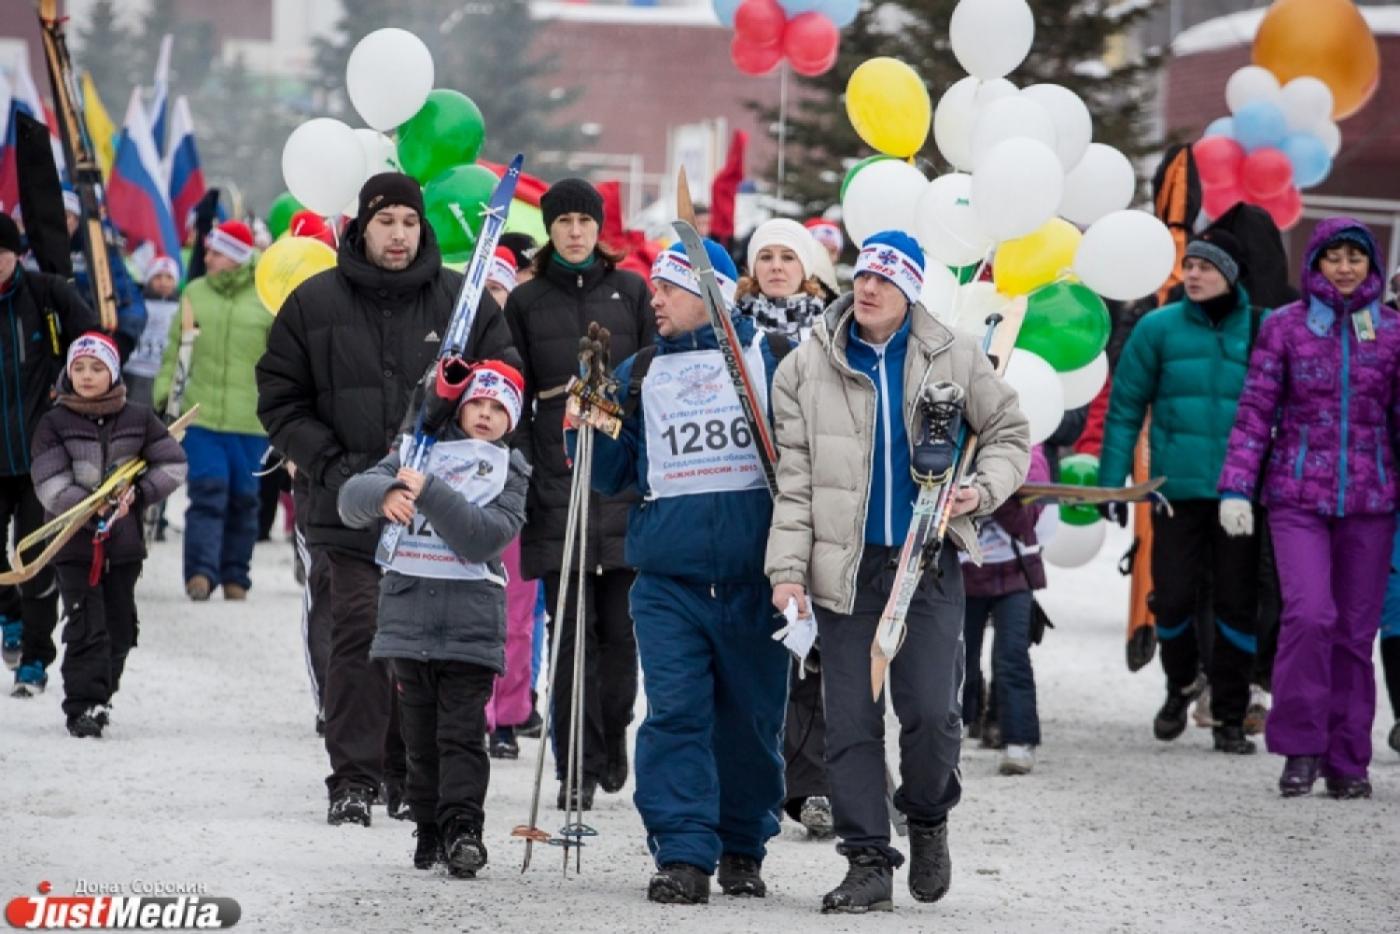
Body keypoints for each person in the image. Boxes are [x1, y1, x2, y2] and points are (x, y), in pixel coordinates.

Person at [765, 230, 1029, 913]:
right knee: (850, 722)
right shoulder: (805, 367)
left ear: (910, 289)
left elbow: (1009, 434)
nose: (868, 287)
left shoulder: (954, 354)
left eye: (884, 278)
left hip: (928, 563)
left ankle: (929, 814)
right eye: (862, 275)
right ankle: (867, 862)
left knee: (934, 715)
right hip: (846, 570)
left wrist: (981, 490)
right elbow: (794, 482)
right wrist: (786, 570)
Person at [257, 172, 516, 827]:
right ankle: (354, 777)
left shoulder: (460, 301)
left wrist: (459, 444)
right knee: (359, 634)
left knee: (420, 645)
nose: (398, 235)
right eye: (385, 222)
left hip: (435, 510)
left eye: (408, 221)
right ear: (360, 227)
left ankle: (409, 775)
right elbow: (280, 397)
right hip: (349, 503)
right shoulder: (314, 302)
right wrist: (336, 467)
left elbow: (504, 382)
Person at [573, 237, 788, 904]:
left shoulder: (772, 360)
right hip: (669, 581)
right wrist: (588, 413)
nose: (655, 300)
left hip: (756, 581)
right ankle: (684, 853)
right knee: (676, 715)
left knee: (750, 722)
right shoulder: (640, 371)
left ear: (711, 295)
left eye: (668, 289)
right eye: (654, 288)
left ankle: (742, 845)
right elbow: (607, 475)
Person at [1219, 217, 1400, 799]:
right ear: (1316, 262)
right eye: (1333, 257)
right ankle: (1300, 747)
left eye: (1355, 258)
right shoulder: (1285, 327)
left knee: (1354, 633)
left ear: (1371, 266)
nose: (1344, 268)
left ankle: (1347, 760)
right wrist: (1235, 487)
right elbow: (1255, 411)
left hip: (1370, 501)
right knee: (1310, 615)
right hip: (1298, 498)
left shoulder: (1392, 332)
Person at [338, 360, 529, 878]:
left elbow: (481, 538)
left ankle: (463, 828)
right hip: (409, 621)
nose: (485, 415)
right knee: (419, 740)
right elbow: (349, 502)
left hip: (472, 626)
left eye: (498, 409)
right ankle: (428, 829)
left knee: (462, 736)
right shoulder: (417, 452)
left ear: (511, 420)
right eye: (477, 403)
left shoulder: (510, 471)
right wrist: (385, 494)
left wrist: (428, 491)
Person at [504, 178, 651, 808]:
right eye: (562, 221)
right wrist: (525, 464)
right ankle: (575, 766)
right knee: (568, 635)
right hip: (556, 480)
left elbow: (651, 378)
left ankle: (613, 731)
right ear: (549, 229)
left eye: (583, 221)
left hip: (619, 483)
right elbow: (511, 388)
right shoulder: (526, 300)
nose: (573, 231)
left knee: (619, 636)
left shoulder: (631, 291)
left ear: (598, 227)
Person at [1098, 230, 1263, 755]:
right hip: (1175, 490)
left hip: (1242, 494)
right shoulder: (1157, 327)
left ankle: (1230, 715)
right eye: (1189, 265)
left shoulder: (1261, 328)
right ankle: (1182, 683)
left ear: (1230, 275)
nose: (1193, 274)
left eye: (1206, 267)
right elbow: (1125, 407)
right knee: (1170, 599)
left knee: (1237, 605)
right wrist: (1112, 484)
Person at [28, 332, 187, 736]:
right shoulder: (53, 422)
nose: (86, 375)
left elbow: (172, 465)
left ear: (113, 373)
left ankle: (102, 691)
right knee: (86, 624)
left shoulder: (139, 418)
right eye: (79, 367)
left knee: (119, 627)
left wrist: (141, 493)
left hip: (124, 544)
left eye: (97, 368)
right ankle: (83, 705)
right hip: (72, 542)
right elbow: (48, 480)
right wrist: (88, 504)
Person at [0, 211, 99, 696]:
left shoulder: (46, 294)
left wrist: (73, 386)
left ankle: (36, 658)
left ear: (17, 254)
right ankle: (9, 614)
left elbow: (95, 344)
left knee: (36, 553)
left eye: (2, 253)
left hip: (43, 455)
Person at [153, 220, 271, 602]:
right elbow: (175, 350)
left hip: (249, 420)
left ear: (237, 257)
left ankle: (236, 576)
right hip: (200, 416)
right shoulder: (195, 292)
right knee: (207, 491)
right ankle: (200, 574)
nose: (207, 258)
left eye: (216, 252)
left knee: (244, 498)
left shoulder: (266, 296)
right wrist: (163, 394)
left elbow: (280, 359)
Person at [961, 447, 1050, 775]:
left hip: (1013, 572)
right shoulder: (958, 446)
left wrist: (991, 493)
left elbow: (1028, 520)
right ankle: (954, 729)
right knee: (958, 659)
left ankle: (1019, 740)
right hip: (962, 573)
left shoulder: (1030, 452)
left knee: (1012, 656)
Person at [737, 218, 827, 343]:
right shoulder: (731, 327)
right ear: (754, 268)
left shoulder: (829, 332)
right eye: (766, 257)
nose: (776, 266)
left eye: (788, 257)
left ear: (805, 268)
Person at [124, 255, 180, 408]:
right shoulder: (139, 305)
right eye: (158, 277)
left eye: (169, 277)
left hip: (164, 371)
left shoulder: (180, 308)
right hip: (136, 370)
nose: (163, 282)